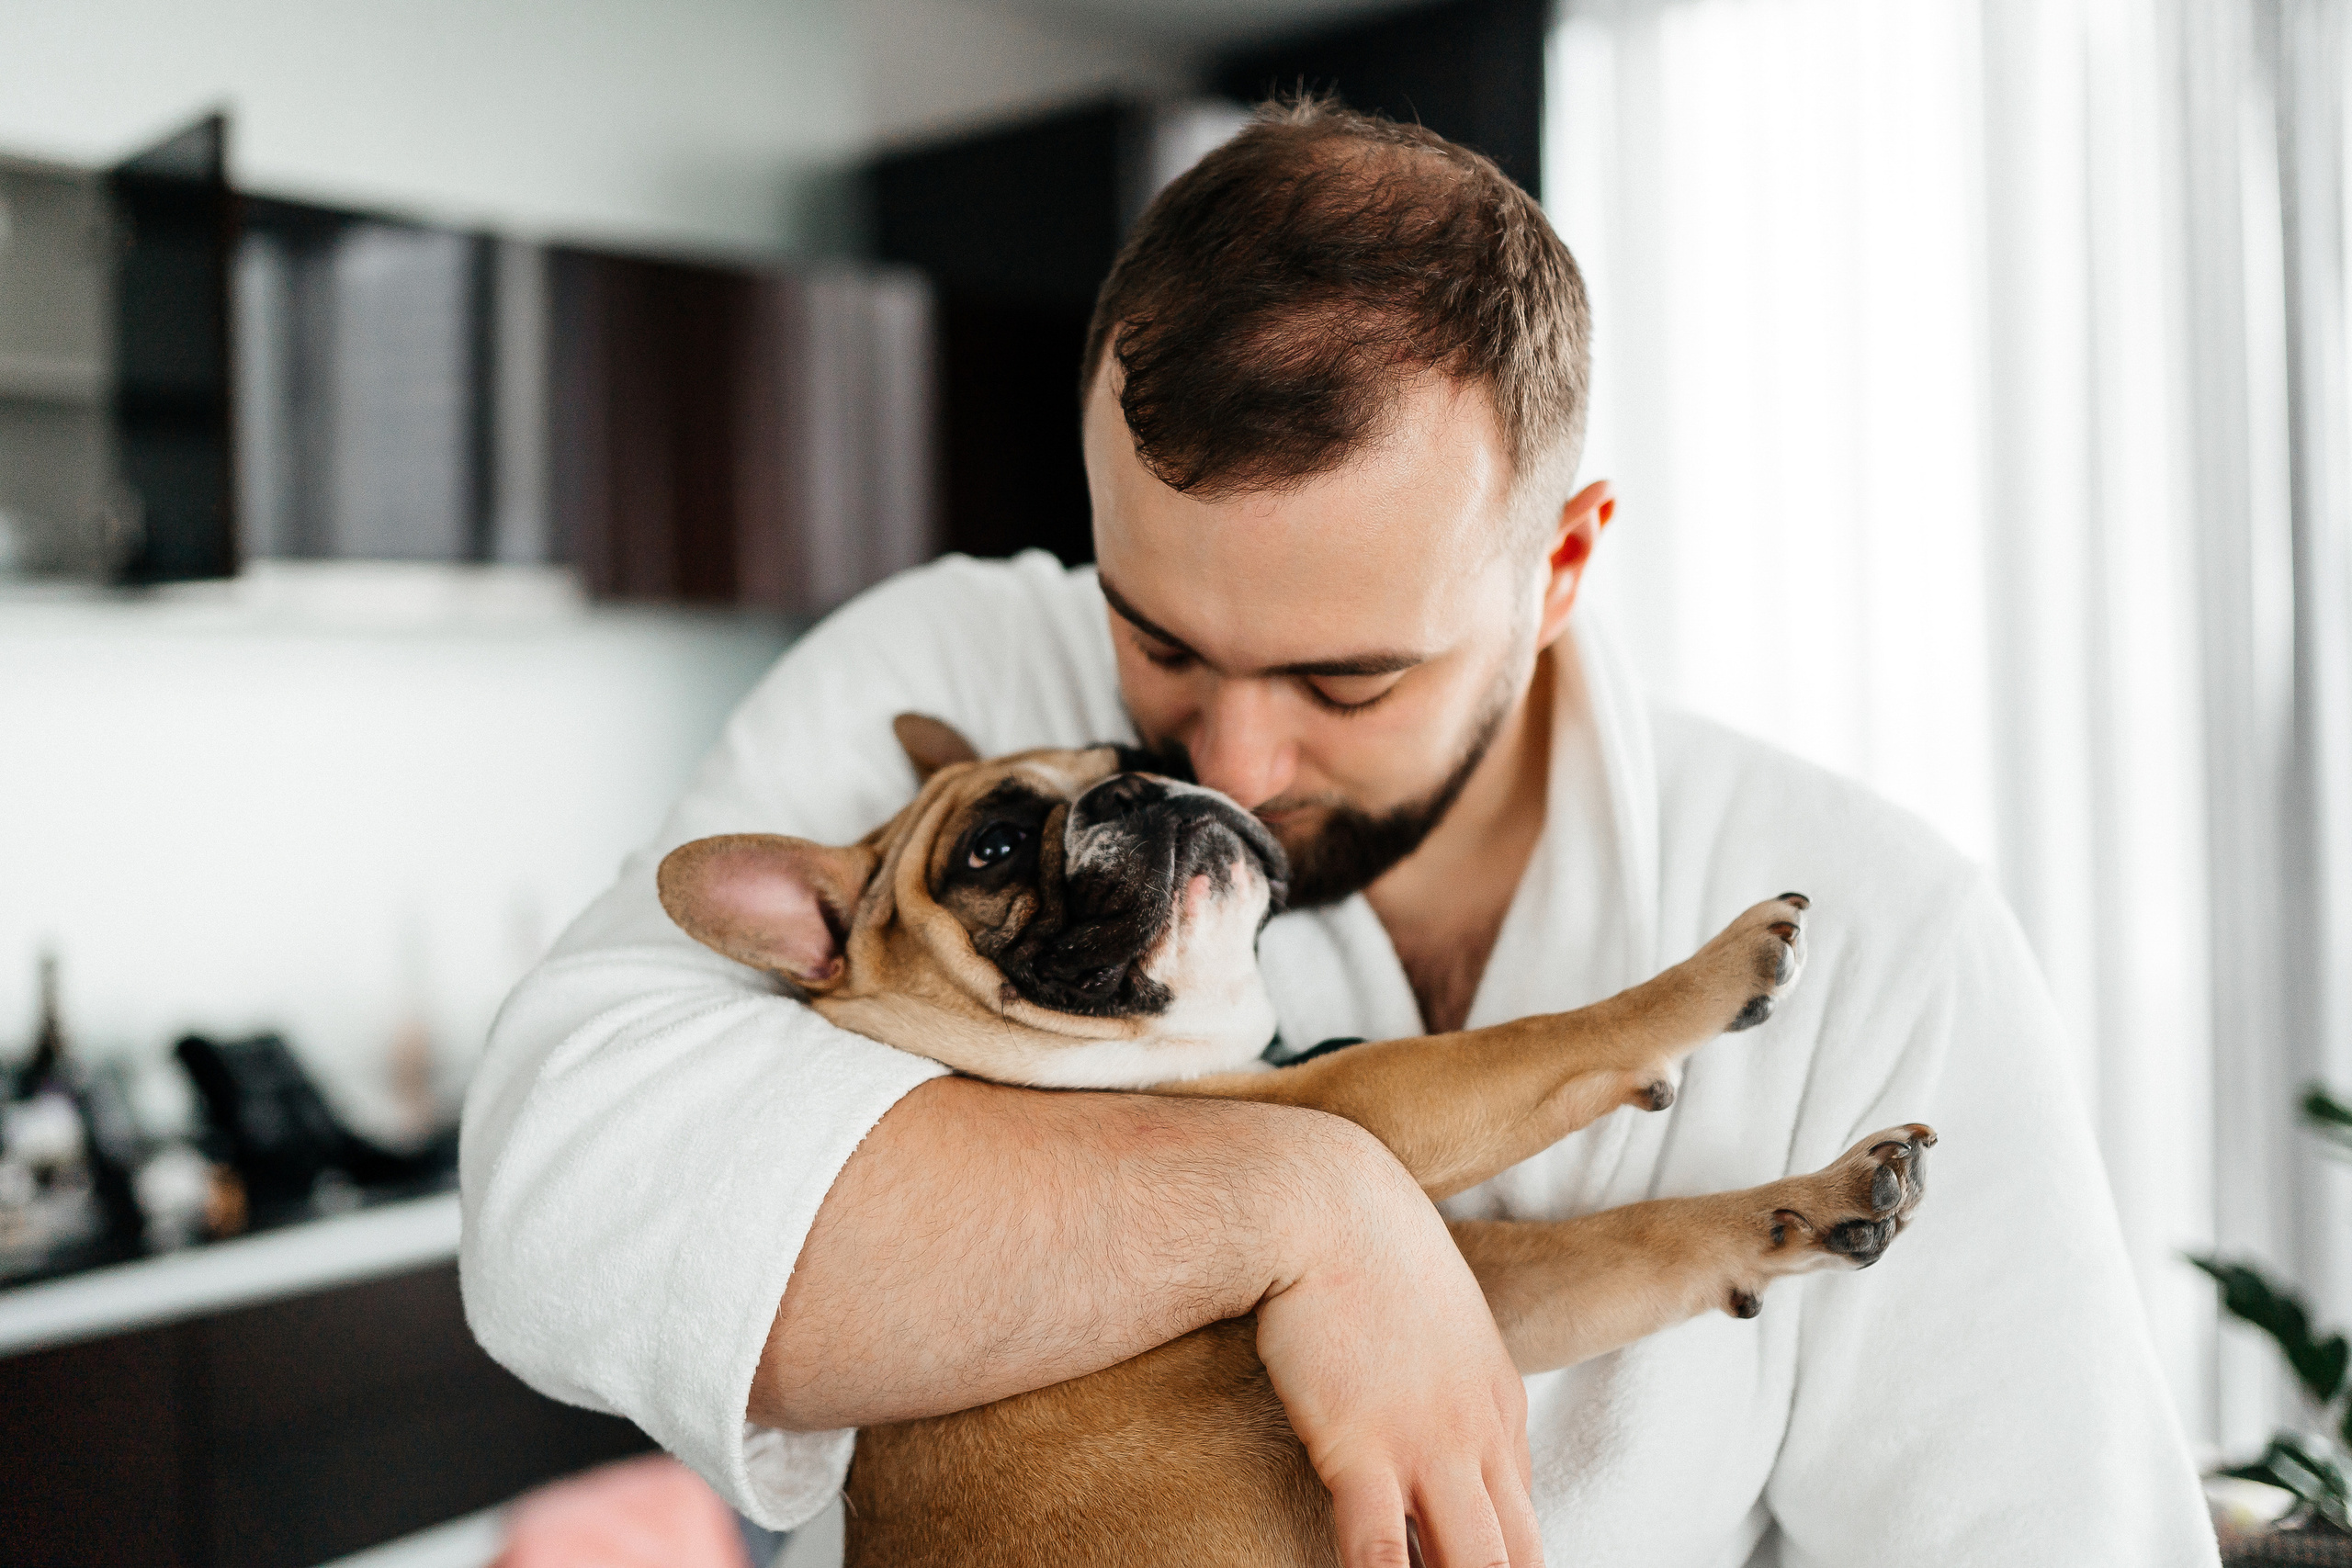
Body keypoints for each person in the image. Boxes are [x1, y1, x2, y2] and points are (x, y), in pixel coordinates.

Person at [460, 99, 2218, 1566]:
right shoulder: (950, 677)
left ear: (1562, 569)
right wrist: (1306, 1199)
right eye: (1154, 638)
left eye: (1348, 678)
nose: (1232, 757)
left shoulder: (1885, 934)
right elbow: (564, 1192)